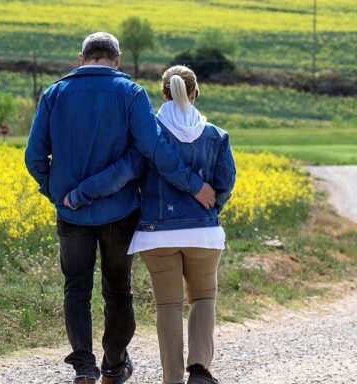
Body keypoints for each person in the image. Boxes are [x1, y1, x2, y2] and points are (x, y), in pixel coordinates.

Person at [24, 33, 217, 384]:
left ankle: (84, 366)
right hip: (120, 212)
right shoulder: (131, 94)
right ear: (118, 59)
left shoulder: (54, 94)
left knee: (76, 288)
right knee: (118, 289)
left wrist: (57, 193)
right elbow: (153, 150)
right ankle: (114, 366)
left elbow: (34, 157)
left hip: (71, 214)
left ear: (82, 58)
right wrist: (193, 185)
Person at [131, 65, 235, 384]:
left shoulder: (150, 137)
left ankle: (172, 378)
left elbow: (133, 174)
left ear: (163, 94)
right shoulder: (216, 135)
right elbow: (226, 182)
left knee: (168, 305)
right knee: (203, 297)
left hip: (156, 234)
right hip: (203, 234)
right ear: (195, 93)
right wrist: (209, 208)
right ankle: (200, 370)